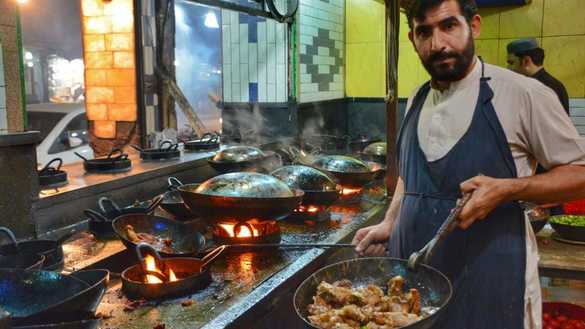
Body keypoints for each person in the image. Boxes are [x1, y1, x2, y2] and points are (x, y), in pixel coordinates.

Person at [351, 1, 585, 328]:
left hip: (491, 280)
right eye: (424, 32)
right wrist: (391, 221)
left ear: (473, 26)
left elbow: (580, 174)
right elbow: (410, 176)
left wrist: (509, 189)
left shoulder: (523, 94)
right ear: (411, 39)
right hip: (416, 286)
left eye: (449, 26)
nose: (438, 44)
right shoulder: (417, 98)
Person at [507, 38, 570, 115]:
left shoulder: (538, 88)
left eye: (511, 63)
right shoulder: (555, 85)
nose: (508, 68)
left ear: (526, 61)